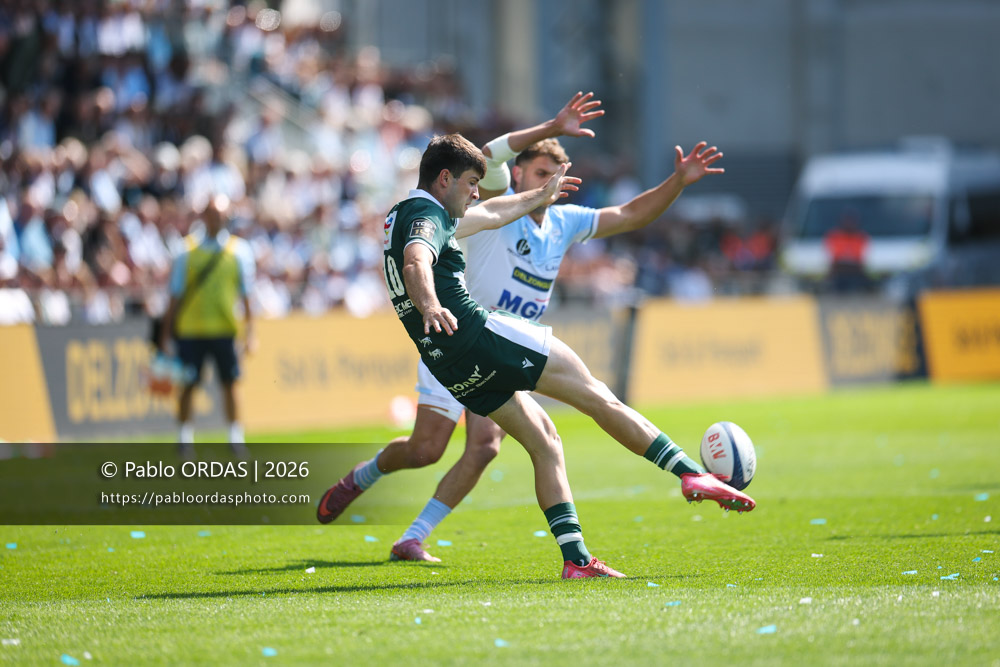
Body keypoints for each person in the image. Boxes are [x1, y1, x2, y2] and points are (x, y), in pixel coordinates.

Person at [321, 127, 755, 579]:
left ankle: (576, 560)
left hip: (448, 358)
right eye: (470, 183)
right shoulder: (424, 215)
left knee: (543, 440)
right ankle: (688, 471)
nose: (475, 192)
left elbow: (490, 212)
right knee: (594, 395)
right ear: (445, 179)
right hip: (479, 331)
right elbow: (416, 259)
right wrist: (429, 303)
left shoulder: (420, 214)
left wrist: (540, 197)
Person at [159, 194, 256, 456]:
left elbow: (247, 296)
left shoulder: (240, 252)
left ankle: (235, 437)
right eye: (213, 213)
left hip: (224, 329)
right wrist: (166, 334)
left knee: (230, 383)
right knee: (188, 385)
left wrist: (251, 333)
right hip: (191, 330)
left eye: (221, 214)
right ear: (204, 216)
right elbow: (174, 295)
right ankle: (184, 438)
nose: (217, 219)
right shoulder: (185, 251)